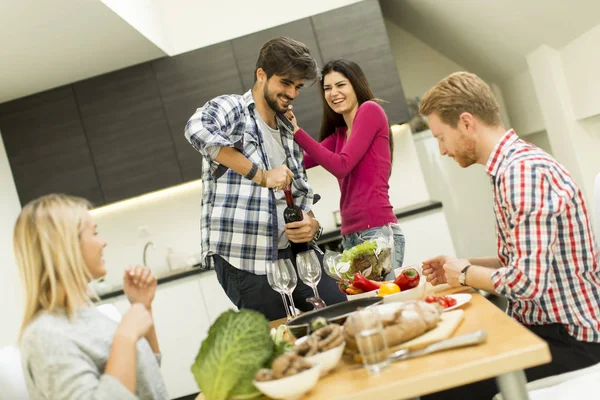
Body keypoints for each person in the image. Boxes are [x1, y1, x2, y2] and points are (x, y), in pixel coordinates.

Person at [418, 71, 600, 399]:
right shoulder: (510, 169)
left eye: (441, 137)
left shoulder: (522, 174)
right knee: (442, 362)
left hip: (574, 341)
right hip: (545, 329)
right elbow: (515, 262)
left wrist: (466, 273)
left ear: (466, 122)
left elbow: (526, 283)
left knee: (440, 386)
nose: (442, 150)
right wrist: (462, 264)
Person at [184, 37, 346, 321]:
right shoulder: (234, 109)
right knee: (281, 341)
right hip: (248, 259)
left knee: (340, 311)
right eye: (285, 83)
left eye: (297, 87)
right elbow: (196, 130)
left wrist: (312, 224)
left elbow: (300, 193)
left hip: (297, 252)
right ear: (261, 75)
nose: (292, 93)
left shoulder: (286, 126)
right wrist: (261, 175)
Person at [15, 194, 168, 400]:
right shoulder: (44, 335)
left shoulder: (89, 317)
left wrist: (142, 307)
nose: (103, 242)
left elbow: (147, 378)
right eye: (94, 233)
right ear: (66, 246)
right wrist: (126, 334)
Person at [286, 59, 405, 275]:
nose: (333, 93)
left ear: (355, 85)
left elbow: (341, 166)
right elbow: (300, 163)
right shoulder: (339, 135)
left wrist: (297, 132)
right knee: (370, 306)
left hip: (375, 231)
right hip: (351, 234)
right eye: (327, 88)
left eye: (340, 85)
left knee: (386, 303)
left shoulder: (371, 111)